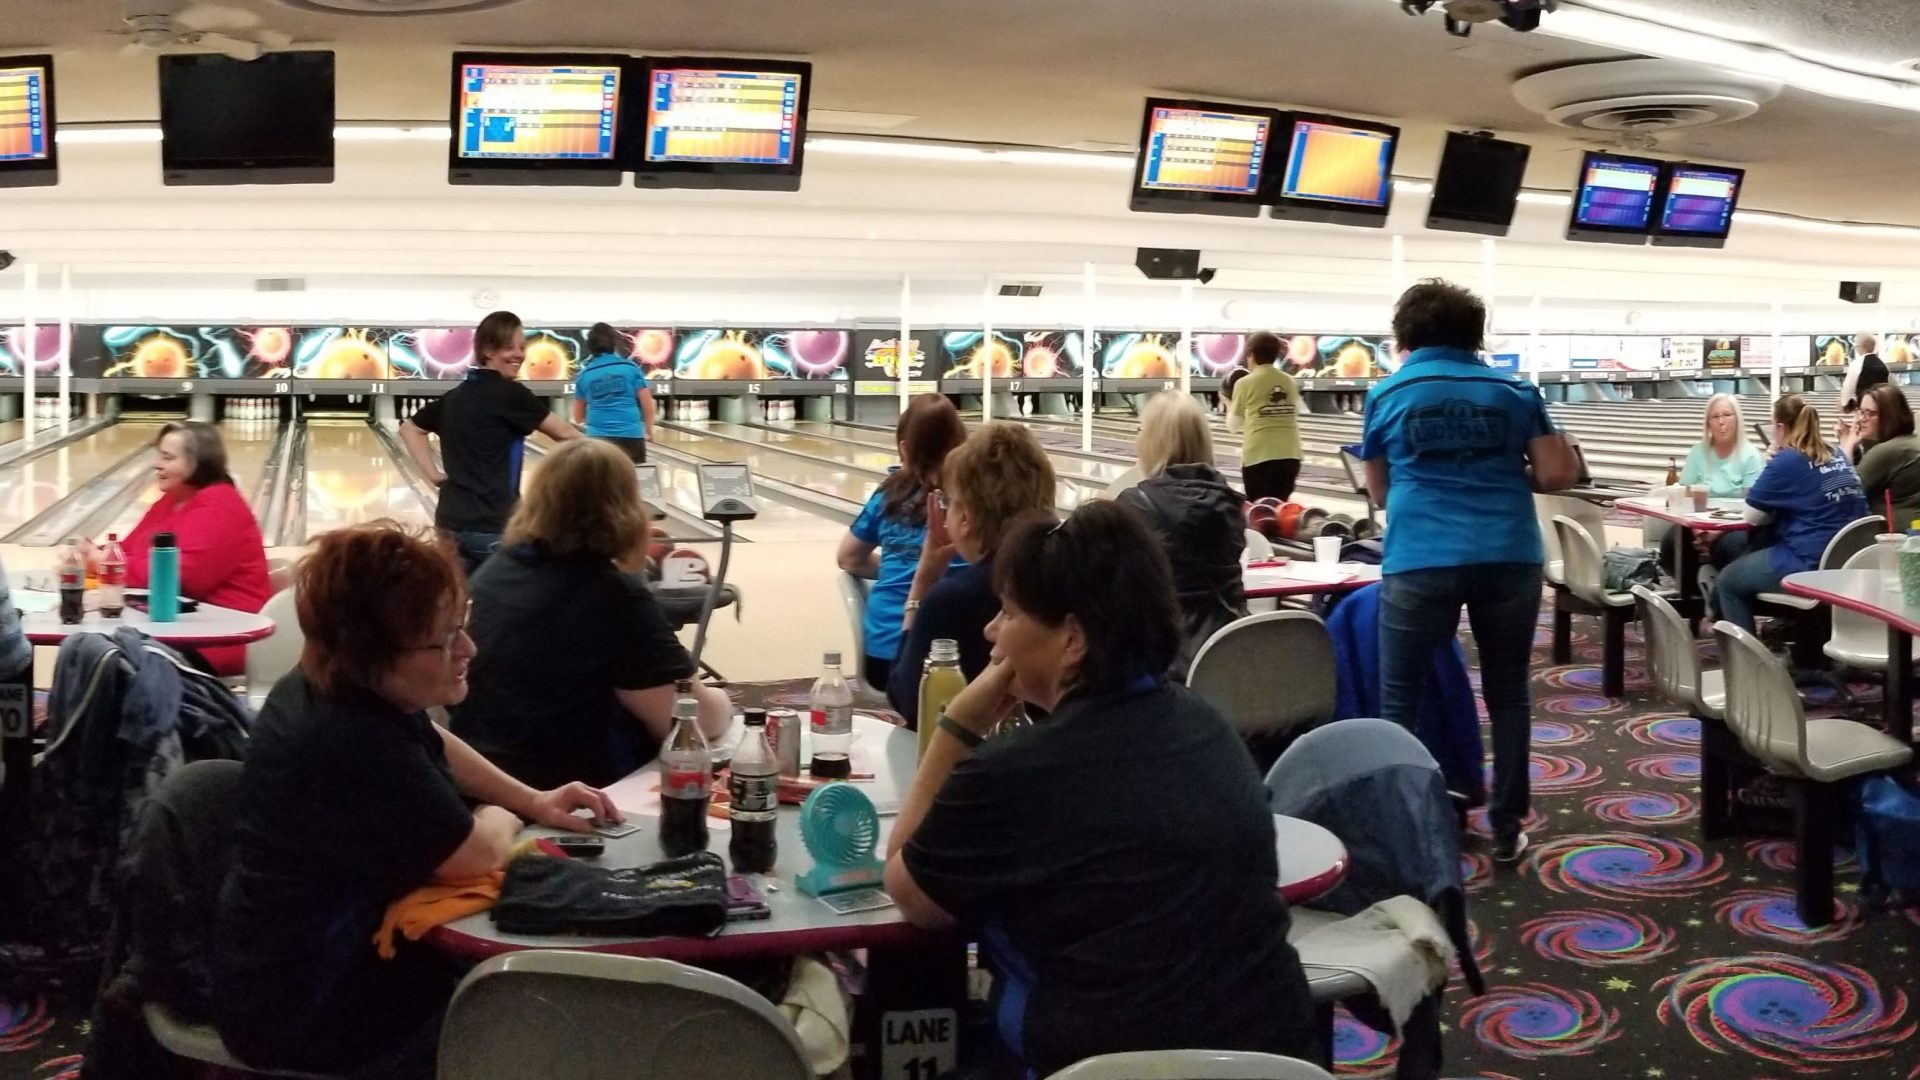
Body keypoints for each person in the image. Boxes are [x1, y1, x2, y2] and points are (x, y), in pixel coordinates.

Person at [883, 501, 1317, 1079]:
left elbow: (907, 888)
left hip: (1105, 1065)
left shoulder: (1012, 773)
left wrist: (957, 726)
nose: (991, 631)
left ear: (1072, 639)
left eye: (1008, 614)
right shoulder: (1210, 724)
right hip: (1275, 1058)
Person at [212, 522, 618, 1080]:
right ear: (374, 654)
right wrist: (501, 815)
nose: (468, 649)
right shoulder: (351, 738)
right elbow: (475, 856)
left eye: (462, 627)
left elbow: (431, 738)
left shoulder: (331, 681)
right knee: (556, 1017)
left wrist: (534, 797)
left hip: (292, 971)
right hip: (309, 1010)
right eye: (445, 639)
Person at [1359, 280, 1580, 864]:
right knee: (1508, 695)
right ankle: (1507, 828)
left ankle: (1403, 830)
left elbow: (1378, 492)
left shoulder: (1385, 394)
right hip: (1508, 553)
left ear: (1405, 334)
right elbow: (1557, 475)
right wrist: (1502, 474)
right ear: (1475, 335)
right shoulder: (1514, 388)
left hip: (1420, 557)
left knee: (1398, 699)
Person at [449, 439, 730, 789]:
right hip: (572, 791)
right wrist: (726, 701)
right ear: (627, 507)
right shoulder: (611, 594)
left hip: (483, 776)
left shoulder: (497, 568)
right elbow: (691, 721)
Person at [888, 421, 1055, 728]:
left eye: (947, 502)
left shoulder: (952, 600)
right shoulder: (1072, 573)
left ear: (964, 518)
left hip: (977, 764)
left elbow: (907, 699)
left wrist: (923, 583)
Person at [81, 421, 270, 675]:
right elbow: (126, 549)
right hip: (174, 626)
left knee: (108, 658)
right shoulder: (171, 501)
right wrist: (92, 553)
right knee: (90, 648)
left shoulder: (221, 506)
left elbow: (177, 579)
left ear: (198, 463)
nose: (157, 464)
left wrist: (103, 561)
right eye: (159, 455)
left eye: (168, 458)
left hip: (220, 636)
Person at [401, 310, 582, 573]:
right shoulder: (512, 395)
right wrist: (608, 459)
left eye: (522, 347)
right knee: (510, 605)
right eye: (509, 347)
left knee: (454, 604)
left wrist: (432, 474)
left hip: (450, 522)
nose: (519, 354)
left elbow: (409, 429)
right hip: (494, 524)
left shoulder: (454, 396)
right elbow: (566, 434)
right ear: (488, 350)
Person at [837, 395, 968, 690]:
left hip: (884, 654)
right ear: (962, 446)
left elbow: (849, 559)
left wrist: (898, 566)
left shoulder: (887, 495)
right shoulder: (974, 499)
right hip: (959, 658)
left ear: (903, 448)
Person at [1715, 396, 1869, 633]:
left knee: (1728, 581)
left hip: (1810, 561)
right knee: (1744, 548)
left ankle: (1745, 664)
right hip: (1850, 561)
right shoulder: (1836, 453)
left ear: (1779, 427)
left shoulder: (1787, 459)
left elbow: (1752, 517)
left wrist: (1772, 467)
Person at [1118, 392, 1247, 674]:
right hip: (1231, 654)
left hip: (1162, 665)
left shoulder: (1133, 505)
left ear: (1153, 440)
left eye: (1142, 430)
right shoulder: (1231, 505)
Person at [1661, 393, 1767, 574]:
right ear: (1708, 423)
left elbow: (1753, 507)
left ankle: (1720, 589)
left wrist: (1716, 532)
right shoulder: (1698, 453)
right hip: (1698, 525)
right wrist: (1699, 531)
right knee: (1672, 541)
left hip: (1734, 527)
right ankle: (1690, 594)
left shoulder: (1751, 456)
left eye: (1727, 415)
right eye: (1715, 417)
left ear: (1737, 419)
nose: (1721, 422)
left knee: (1732, 546)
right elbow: (1685, 497)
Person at [1227, 331, 1304, 502]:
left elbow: (1233, 426)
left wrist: (1227, 401)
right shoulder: (1289, 381)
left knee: (1260, 510)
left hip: (1259, 457)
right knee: (1281, 510)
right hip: (1290, 456)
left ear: (1251, 354)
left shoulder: (1244, 383)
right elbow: (1297, 410)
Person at [571, 322, 655, 464]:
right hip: (631, 437)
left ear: (590, 346)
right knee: (634, 484)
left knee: (600, 485)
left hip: (598, 440)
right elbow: (648, 407)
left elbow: (578, 417)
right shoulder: (631, 368)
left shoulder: (584, 376)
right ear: (614, 343)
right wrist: (649, 432)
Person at [1850, 384, 1920, 529]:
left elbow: (1846, 491)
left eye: (1870, 413)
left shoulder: (1889, 451)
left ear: (1890, 416)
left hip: (1891, 541)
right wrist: (1856, 450)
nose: (1861, 419)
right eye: (1861, 412)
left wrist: (1847, 445)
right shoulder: (1909, 443)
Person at [1842, 333, 1889, 413]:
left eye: (1856, 345)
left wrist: (1845, 404)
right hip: (1882, 408)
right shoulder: (1883, 364)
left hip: (1864, 409)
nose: (1855, 348)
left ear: (1862, 346)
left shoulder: (1856, 364)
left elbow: (1848, 387)